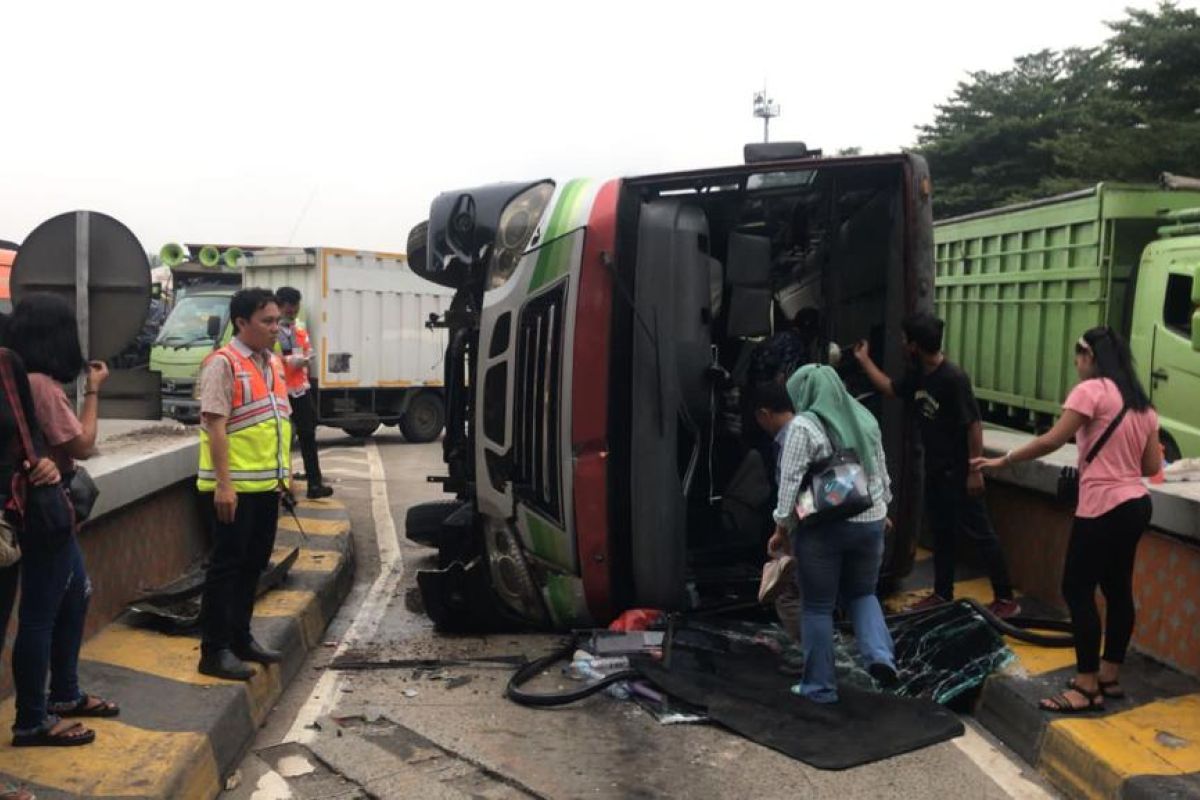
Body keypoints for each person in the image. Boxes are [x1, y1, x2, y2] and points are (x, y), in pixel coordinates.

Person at [975, 327, 1160, 713]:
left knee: (1077, 590)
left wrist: (1003, 460)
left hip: (1102, 507)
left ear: (1089, 355)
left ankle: (1085, 686)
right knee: (1118, 590)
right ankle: (1109, 676)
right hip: (1136, 506)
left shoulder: (1090, 391)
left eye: (1078, 354)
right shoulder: (1143, 405)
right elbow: (1151, 466)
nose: (1076, 362)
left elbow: (1051, 441)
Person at [6, 294, 120, 747]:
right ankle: (33, 718)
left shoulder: (19, 379)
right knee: (40, 614)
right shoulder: (42, 387)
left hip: (46, 510)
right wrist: (94, 390)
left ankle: (65, 694)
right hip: (45, 511)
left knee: (75, 598)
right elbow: (83, 445)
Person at [853, 313, 1020, 618]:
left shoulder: (953, 379)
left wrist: (974, 470)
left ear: (915, 345)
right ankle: (943, 593)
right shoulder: (918, 375)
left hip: (958, 472)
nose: (903, 344)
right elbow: (891, 388)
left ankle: (1006, 598)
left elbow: (973, 425)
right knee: (943, 534)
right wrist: (864, 360)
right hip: (935, 471)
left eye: (906, 340)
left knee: (982, 533)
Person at [767, 364, 897, 702]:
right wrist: (883, 511)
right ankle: (880, 657)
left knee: (818, 607)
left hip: (823, 529)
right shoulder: (865, 417)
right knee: (863, 595)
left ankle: (820, 687)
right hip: (870, 522)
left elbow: (790, 483)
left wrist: (781, 529)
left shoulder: (804, 426)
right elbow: (880, 471)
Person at [196, 288, 292, 680]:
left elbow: (276, 424)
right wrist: (224, 485)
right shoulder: (223, 364)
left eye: (277, 321)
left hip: (266, 487)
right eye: (267, 321)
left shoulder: (271, 363)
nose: (276, 328)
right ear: (241, 323)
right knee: (226, 568)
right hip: (234, 489)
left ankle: (240, 638)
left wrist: (284, 479)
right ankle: (214, 650)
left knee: (253, 565)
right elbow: (215, 427)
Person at [274, 287, 332, 500]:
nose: (293, 313)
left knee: (308, 436)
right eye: (289, 310)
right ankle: (283, 489)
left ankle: (315, 485)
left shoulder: (298, 329)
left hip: (301, 390)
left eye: (295, 310)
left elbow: (306, 349)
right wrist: (288, 361)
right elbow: (269, 357)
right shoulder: (272, 332)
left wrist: (307, 357)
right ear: (279, 307)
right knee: (283, 442)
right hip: (281, 391)